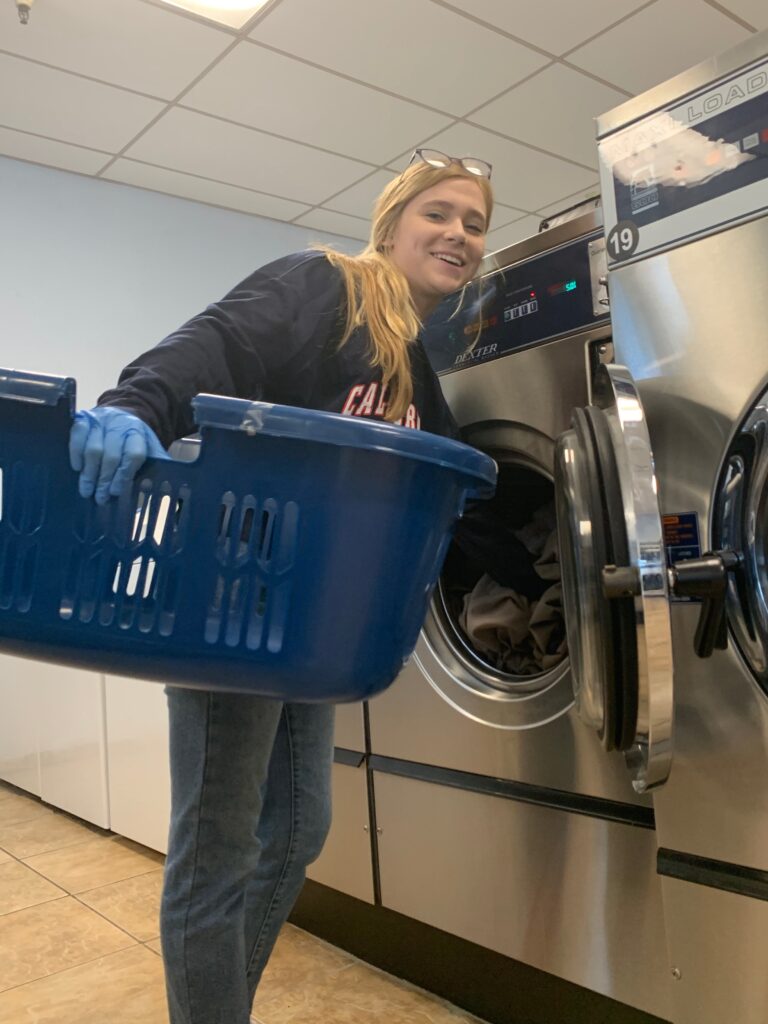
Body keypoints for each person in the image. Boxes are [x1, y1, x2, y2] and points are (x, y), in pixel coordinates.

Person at [69, 150, 494, 1024]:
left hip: (315, 623)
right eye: (440, 213)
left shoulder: (415, 361)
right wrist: (136, 406)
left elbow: (446, 493)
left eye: (476, 223)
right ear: (393, 222)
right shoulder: (324, 283)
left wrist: (531, 559)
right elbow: (216, 343)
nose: (459, 234)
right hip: (234, 594)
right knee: (218, 848)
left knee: (299, 831)